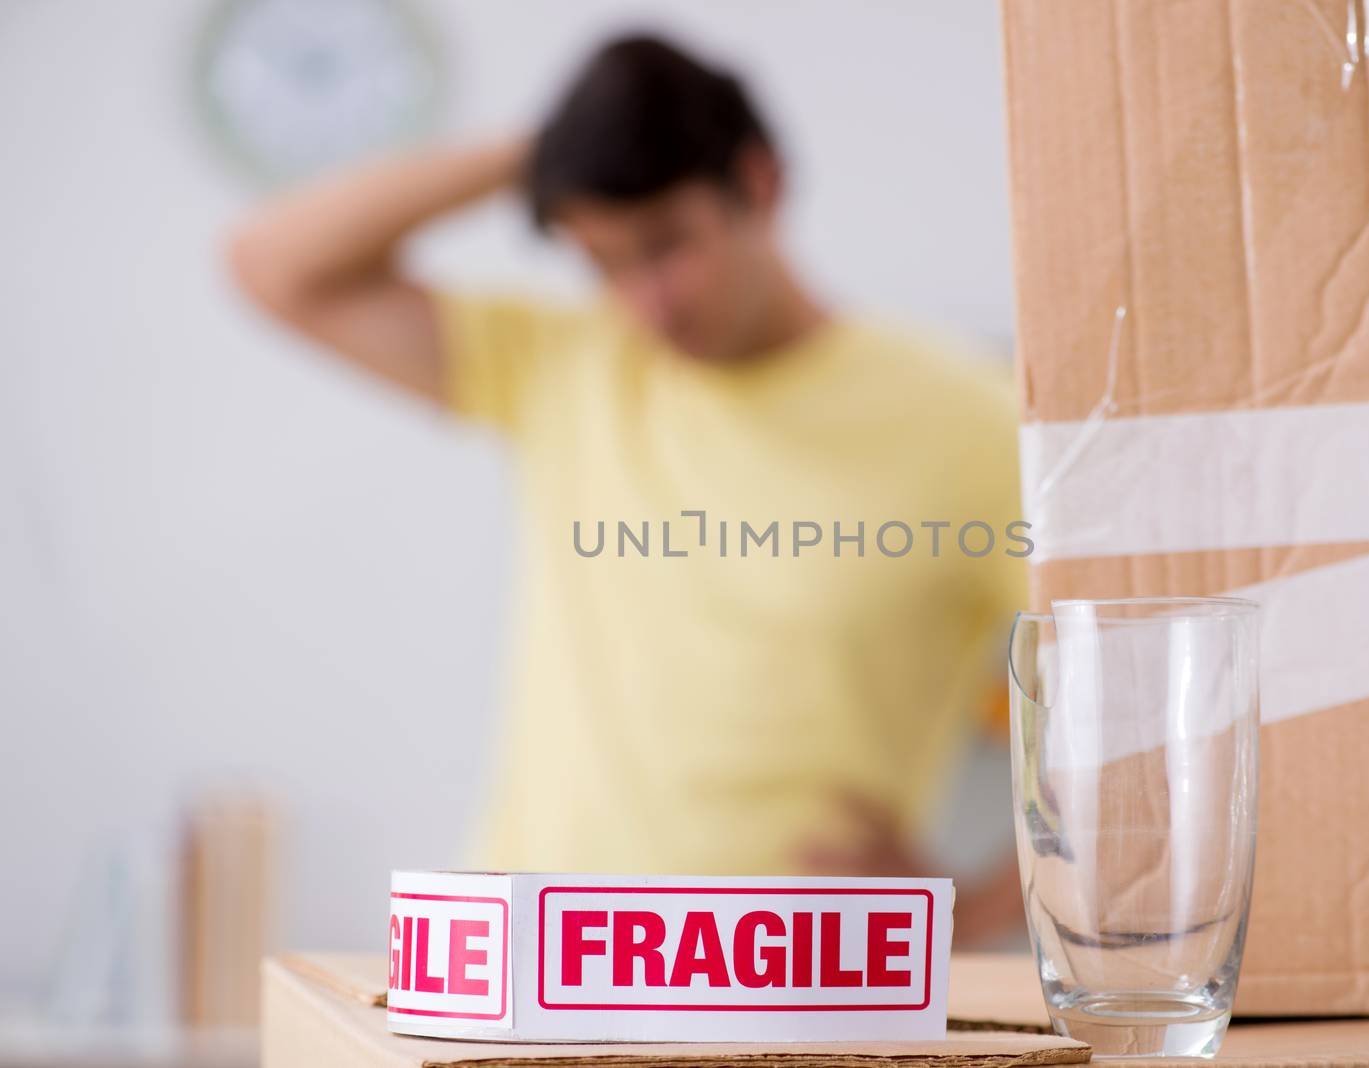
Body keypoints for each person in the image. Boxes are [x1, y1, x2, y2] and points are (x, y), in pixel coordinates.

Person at [228, 34, 1026, 943]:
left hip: (794, 984)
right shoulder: (564, 368)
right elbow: (273, 265)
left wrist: (981, 911)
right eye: (602, 262)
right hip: (526, 967)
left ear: (758, 185)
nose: (645, 304)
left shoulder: (973, 420)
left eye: (664, 246)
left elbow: (1153, 711)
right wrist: (547, 148)